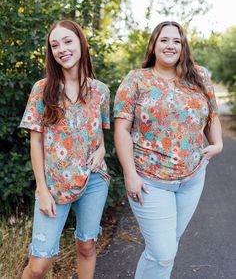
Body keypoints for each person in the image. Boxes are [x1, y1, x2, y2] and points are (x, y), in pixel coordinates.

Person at [114, 21, 223, 279]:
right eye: (164, 40)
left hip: (192, 179)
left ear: (183, 46)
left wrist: (217, 144)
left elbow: (212, 115)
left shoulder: (199, 75)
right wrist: (130, 174)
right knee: (163, 252)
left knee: (165, 250)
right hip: (151, 182)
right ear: (153, 45)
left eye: (176, 40)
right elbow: (121, 130)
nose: (170, 45)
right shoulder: (136, 80)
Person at [20, 20, 110, 279]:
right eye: (55, 45)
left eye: (67, 41)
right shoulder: (42, 89)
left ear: (81, 43)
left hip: (94, 180)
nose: (62, 49)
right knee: (39, 264)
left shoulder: (100, 91)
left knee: (87, 245)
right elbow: (35, 142)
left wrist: (102, 151)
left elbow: (99, 136)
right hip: (54, 186)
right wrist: (42, 189)